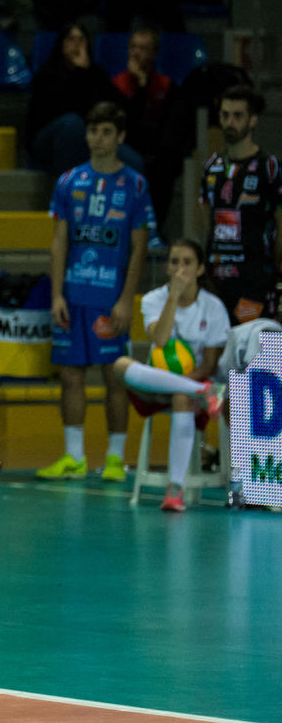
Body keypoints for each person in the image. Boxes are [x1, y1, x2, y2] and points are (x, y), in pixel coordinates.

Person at [37, 101, 154, 483]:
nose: (97, 139)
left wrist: (126, 300)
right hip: (73, 296)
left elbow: (139, 248)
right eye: (93, 131)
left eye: (106, 132)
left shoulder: (135, 184)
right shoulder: (69, 181)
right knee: (70, 376)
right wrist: (57, 295)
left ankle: (116, 459)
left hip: (110, 299)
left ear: (120, 137)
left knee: (115, 377)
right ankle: (74, 458)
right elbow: (59, 241)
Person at [111, 237, 227, 511]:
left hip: (195, 384)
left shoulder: (213, 306)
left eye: (187, 262)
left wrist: (186, 385)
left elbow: (210, 365)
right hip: (162, 384)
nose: (180, 269)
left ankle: (174, 490)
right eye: (174, 262)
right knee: (120, 365)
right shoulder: (153, 299)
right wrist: (173, 297)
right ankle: (202, 392)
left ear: (200, 269)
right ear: (167, 268)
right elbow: (161, 340)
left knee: (180, 397)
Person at [198, 85, 282, 325]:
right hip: (218, 279)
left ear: (252, 120)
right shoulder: (211, 167)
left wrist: (276, 269)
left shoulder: (269, 167)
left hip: (257, 279)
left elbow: (280, 224)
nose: (229, 122)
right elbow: (206, 221)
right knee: (221, 345)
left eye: (237, 116)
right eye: (225, 115)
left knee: (266, 342)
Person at [26, 22, 134, 179]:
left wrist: (85, 73)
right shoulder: (47, 74)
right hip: (48, 139)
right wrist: (81, 74)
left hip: (91, 137)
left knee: (132, 160)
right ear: (61, 44)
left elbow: (114, 107)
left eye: (81, 39)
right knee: (72, 124)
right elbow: (65, 108)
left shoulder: (96, 73)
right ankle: (70, 190)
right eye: (71, 39)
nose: (76, 44)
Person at [112, 25, 181, 223]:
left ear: (154, 54)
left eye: (143, 48)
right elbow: (128, 124)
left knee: (166, 165)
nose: (136, 53)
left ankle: (154, 228)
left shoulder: (166, 86)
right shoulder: (117, 85)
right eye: (133, 47)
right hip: (127, 147)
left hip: (156, 149)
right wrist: (141, 87)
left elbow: (169, 125)